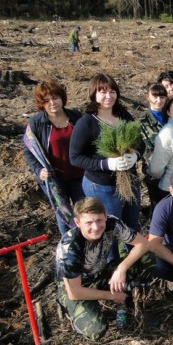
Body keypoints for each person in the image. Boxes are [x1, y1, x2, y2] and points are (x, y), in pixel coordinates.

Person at [55, 197, 161, 340]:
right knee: (97, 330)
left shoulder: (112, 223)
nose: (96, 227)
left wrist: (121, 269)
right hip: (76, 287)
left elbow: (144, 244)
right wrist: (111, 296)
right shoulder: (70, 248)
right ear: (77, 223)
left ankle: (130, 304)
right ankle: (78, 315)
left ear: (105, 216)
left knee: (147, 257)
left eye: (99, 220)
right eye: (89, 223)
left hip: (100, 273)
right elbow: (75, 292)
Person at [70, 73, 143, 232]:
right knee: (110, 227)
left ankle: (134, 256)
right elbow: (75, 158)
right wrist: (106, 164)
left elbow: (140, 142)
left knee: (132, 224)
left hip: (129, 181)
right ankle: (112, 257)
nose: (108, 96)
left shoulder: (124, 116)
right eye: (102, 92)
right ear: (93, 94)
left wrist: (136, 155)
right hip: (102, 185)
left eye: (112, 91)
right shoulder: (87, 122)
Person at [23, 80, 84, 235]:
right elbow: (29, 151)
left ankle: (89, 247)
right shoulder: (37, 123)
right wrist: (38, 170)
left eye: (55, 98)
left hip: (80, 177)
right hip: (54, 180)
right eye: (46, 100)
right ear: (41, 103)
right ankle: (70, 250)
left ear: (62, 98)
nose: (52, 103)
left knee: (85, 213)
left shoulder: (76, 117)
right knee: (63, 215)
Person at [140, 83, 168, 208]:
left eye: (162, 97)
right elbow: (143, 150)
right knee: (159, 208)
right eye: (155, 96)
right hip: (155, 175)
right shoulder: (142, 123)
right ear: (147, 97)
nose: (158, 100)